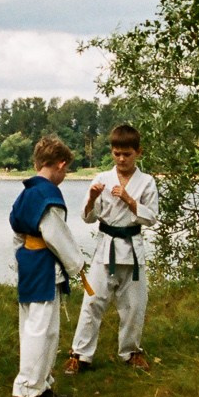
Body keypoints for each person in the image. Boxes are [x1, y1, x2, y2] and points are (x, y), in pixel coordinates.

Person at [66, 123, 159, 374]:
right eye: (117, 154)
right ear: (112, 152)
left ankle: (131, 351)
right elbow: (87, 217)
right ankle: (80, 354)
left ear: (138, 152)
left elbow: (151, 218)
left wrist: (129, 200)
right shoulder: (101, 179)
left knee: (134, 305)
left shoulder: (147, 182)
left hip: (132, 247)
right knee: (93, 301)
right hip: (106, 246)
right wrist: (92, 198)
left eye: (127, 154)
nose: (121, 159)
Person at [10, 135, 90, 397]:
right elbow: (56, 234)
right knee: (39, 330)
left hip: (29, 263)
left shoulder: (26, 193)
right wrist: (76, 264)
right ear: (61, 164)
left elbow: (17, 233)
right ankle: (27, 389)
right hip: (44, 266)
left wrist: (20, 260)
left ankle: (41, 384)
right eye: (66, 170)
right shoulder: (47, 194)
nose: (64, 175)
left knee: (42, 328)